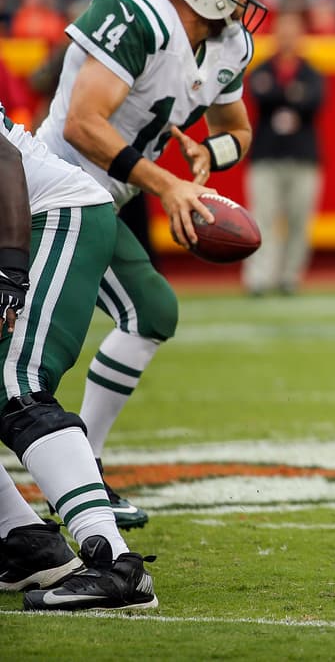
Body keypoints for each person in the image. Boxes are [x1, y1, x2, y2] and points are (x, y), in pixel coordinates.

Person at [35, 0, 270, 530]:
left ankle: (86, 464)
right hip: (47, 194)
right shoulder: (134, 15)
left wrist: (202, 153)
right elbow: (84, 122)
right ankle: (70, 480)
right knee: (31, 364)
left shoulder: (228, 44)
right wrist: (166, 183)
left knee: (151, 314)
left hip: (102, 201)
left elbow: (237, 131)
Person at [0, 100, 157, 610]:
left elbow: (4, 161)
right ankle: (25, 545)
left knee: (14, 383)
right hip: (33, 218)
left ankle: (114, 563)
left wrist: (9, 269)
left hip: (51, 215)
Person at [242, 10, 326, 296]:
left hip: (303, 156)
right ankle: (260, 279)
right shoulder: (262, 70)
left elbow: (313, 102)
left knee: (298, 221)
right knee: (262, 219)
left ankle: (289, 277)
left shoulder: (311, 73)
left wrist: (279, 93)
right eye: (283, 31)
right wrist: (292, 94)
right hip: (266, 154)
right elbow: (260, 96)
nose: (288, 38)